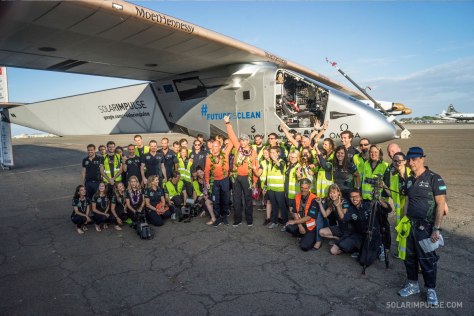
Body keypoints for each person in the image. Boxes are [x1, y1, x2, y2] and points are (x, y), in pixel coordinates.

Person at [397, 147, 447, 306]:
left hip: (426, 228)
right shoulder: (409, 179)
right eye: (409, 159)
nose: (411, 163)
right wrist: (404, 220)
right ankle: (412, 285)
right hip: (410, 226)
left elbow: (441, 204)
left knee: (427, 260)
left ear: (422, 159)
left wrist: (436, 228)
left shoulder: (435, 179)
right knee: (409, 258)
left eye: (414, 159)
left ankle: (431, 290)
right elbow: (407, 202)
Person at [225, 115, 259, 227]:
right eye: (241, 140)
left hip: (247, 178)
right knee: (236, 199)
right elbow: (232, 135)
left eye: (244, 140)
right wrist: (227, 123)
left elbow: (256, 167)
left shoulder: (253, 152)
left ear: (248, 141)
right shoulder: (237, 147)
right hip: (236, 177)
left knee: (248, 199)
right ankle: (238, 219)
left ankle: (249, 220)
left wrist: (254, 181)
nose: (242, 142)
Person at [284, 178, 320, 251]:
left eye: (306, 188)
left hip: (310, 227)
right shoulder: (297, 196)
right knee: (288, 226)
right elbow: (295, 212)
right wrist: (300, 226)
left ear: (309, 188)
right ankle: (301, 234)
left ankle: (311, 238)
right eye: (302, 187)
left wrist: (294, 222)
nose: (303, 190)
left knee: (304, 247)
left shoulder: (314, 199)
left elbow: (309, 217)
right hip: (301, 223)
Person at [205, 138, 233, 226]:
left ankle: (224, 217)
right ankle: (217, 218)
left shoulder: (225, 154)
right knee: (215, 200)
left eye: (216, 146)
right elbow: (207, 170)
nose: (214, 148)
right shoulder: (209, 157)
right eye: (213, 146)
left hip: (225, 180)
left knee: (225, 199)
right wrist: (207, 182)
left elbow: (232, 141)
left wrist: (228, 124)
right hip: (215, 181)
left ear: (220, 147)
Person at [317, 184, 349, 249]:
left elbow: (343, 217)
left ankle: (344, 239)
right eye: (330, 193)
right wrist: (320, 204)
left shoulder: (344, 201)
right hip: (339, 227)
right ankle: (338, 238)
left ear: (338, 193)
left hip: (347, 229)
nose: (332, 195)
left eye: (334, 192)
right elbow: (325, 215)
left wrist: (338, 206)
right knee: (321, 232)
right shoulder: (332, 203)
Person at [265, 146, 289, 229]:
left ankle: (286, 224)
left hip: (279, 189)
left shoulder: (282, 161)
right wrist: (266, 186)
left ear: (278, 153)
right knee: (274, 206)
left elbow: (281, 167)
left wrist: (275, 160)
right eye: (270, 152)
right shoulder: (270, 162)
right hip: (271, 189)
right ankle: (275, 222)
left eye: (273, 153)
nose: (271, 154)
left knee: (282, 207)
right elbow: (268, 175)